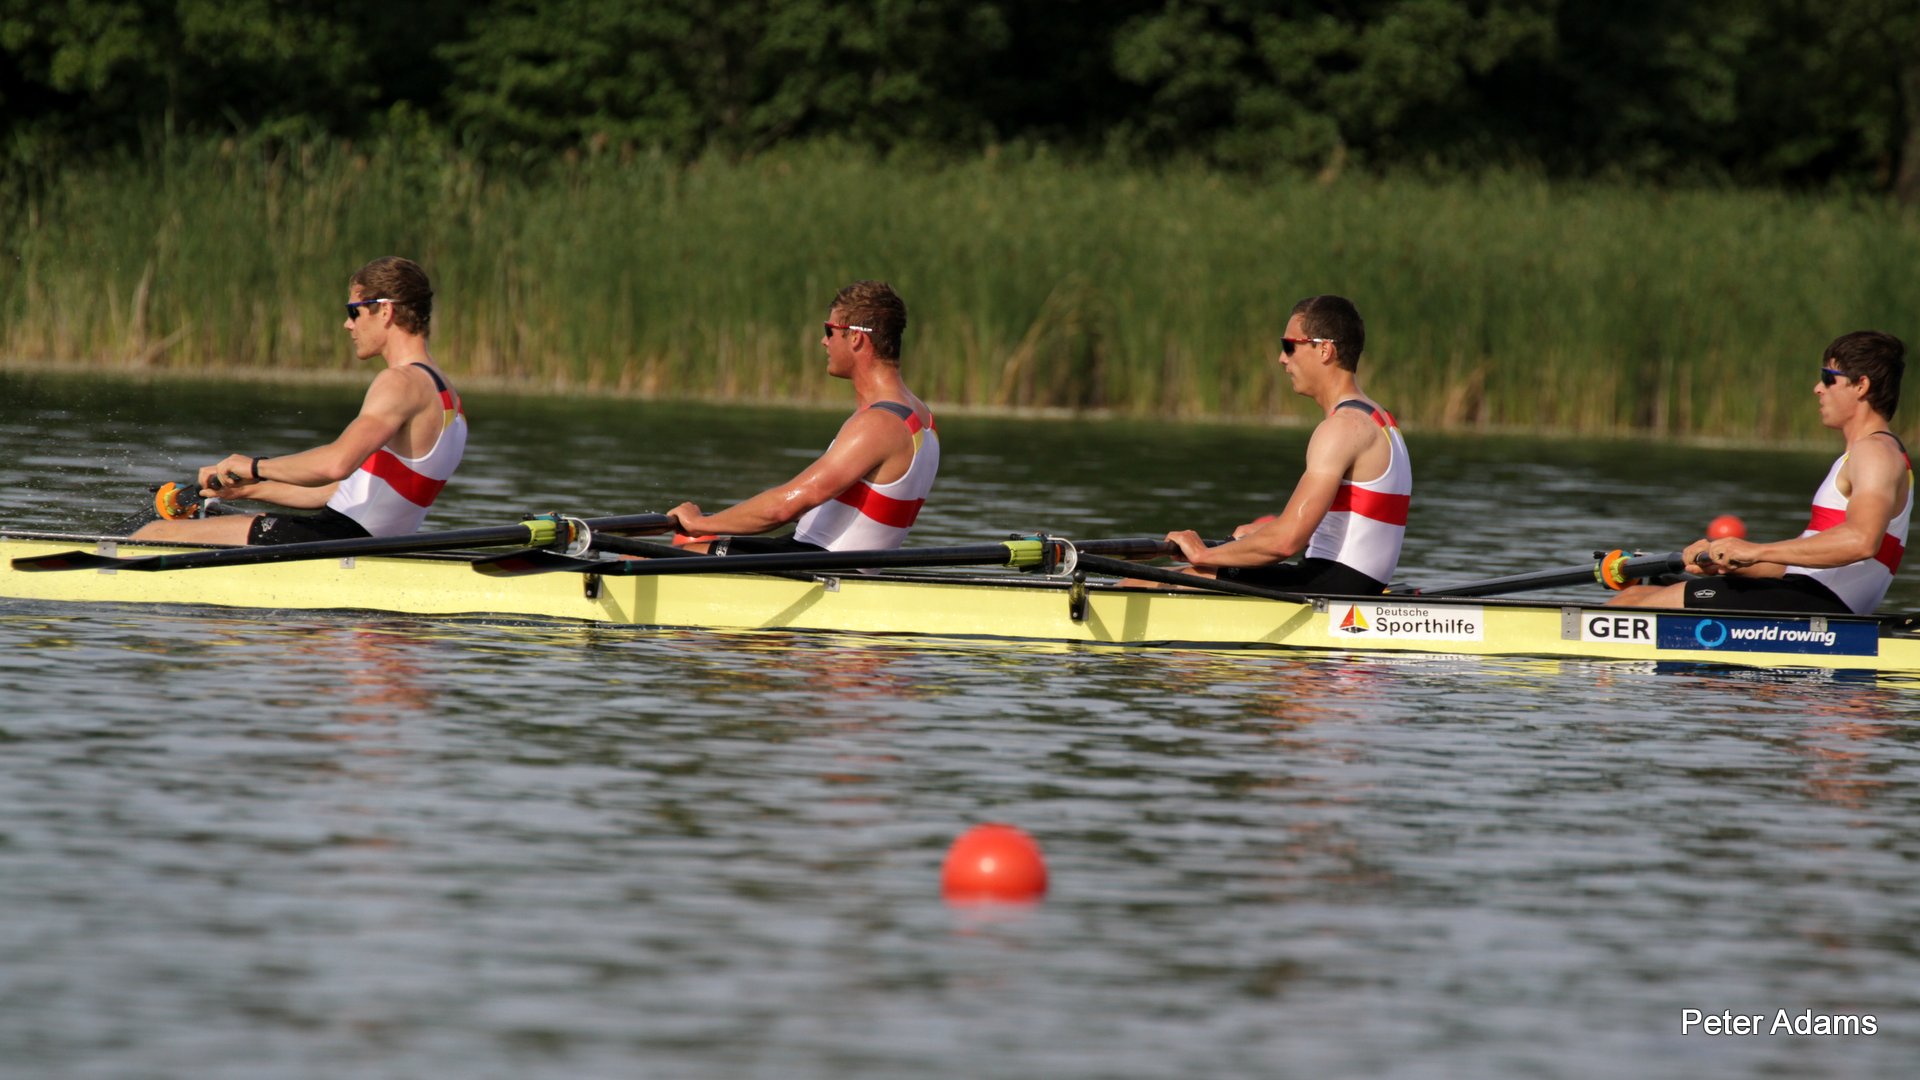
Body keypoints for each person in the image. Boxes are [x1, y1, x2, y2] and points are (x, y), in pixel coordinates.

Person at [131, 256, 467, 545]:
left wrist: (254, 466)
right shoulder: (445, 394)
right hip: (360, 540)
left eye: (354, 311)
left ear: (385, 311)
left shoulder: (399, 382)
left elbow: (335, 464)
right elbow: (339, 491)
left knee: (155, 534)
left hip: (337, 540)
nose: (347, 324)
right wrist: (249, 489)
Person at [1609, 331, 1909, 615]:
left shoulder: (1875, 453)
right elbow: (1802, 567)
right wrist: (1730, 560)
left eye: (1828, 378)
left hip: (1819, 604)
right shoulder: (1863, 455)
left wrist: (1756, 550)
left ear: (1861, 386)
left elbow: (1861, 541)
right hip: (1804, 593)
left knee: (1631, 608)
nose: (1817, 388)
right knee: (1633, 597)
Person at [1146, 294, 1410, 595]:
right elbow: (1350, 524)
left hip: (1328, 587)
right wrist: (1262, 532)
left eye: (1289, 346)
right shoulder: (1381, 420)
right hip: (1350, 583)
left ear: (1324, 349)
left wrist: (1202, 554)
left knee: (1144, 582)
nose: (1282, 358)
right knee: (1178, 573)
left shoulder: (1342, 428)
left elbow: (1286, 542)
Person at [667, 280, 938, 553]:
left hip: (820, 566)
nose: (824, 341)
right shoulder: (921, 416)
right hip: (817, 556)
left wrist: (699, 523)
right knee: (683, 548)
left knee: (661, 558)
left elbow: (782, 509)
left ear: (856, 338)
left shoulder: (879, 424)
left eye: (830, 331)